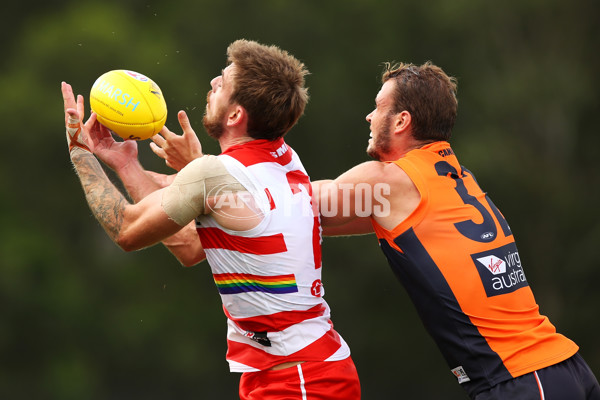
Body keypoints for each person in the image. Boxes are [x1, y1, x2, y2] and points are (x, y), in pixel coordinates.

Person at [153, 60, 600, 399]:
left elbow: (276, 205)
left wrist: (200, 170)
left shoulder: (387, 180)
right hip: (563, 367)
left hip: (522, 379)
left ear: (402, 121)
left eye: (378, 108)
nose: (369, 117)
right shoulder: (454, 174)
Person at [61, 39, 360, 400]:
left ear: (235, 116)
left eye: (222, 83)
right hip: (301, 371)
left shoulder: (212, 174)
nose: (212, 86)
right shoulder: (285, 160)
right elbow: (188, 245)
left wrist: (81, 153)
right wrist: (127, 165)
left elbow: (126, 229)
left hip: (299, 381)